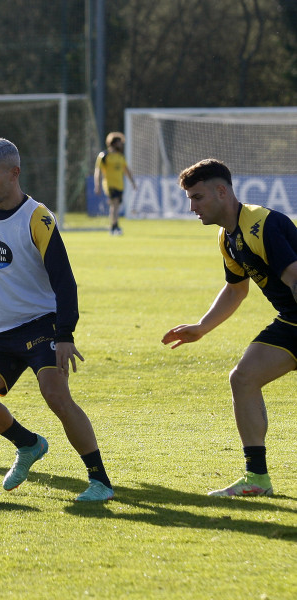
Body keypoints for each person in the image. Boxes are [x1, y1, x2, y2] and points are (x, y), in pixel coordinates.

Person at [0, 138, 114, 502]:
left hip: (41, 325)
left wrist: (65, 335)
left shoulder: (37, 218)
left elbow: (64, 280)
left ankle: (100, 481)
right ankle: (28, 444)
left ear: (14, 173)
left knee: (57, 396)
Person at [162, 158, 297, 497]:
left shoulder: (260, 225)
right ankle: (257, 479)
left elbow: (296, 278)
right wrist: (202, 327)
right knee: (243, 378)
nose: (191, 206)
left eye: (197, 197)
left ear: (221, 192)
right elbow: (237, 288)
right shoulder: (227, 237)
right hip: (291, 322)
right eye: (189, 199)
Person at [93, 132, 136, 235]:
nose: (121, 145)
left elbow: (126, 170)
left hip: (119, 185)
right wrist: (97, 185)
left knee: (115, 205)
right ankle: (114, 227)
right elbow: (98, 171)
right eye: (119, 142)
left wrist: (132, 182)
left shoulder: (120, 157)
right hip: (109, 184)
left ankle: (113, 226)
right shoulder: (104, 156)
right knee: (115, 203)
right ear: (114, 143)